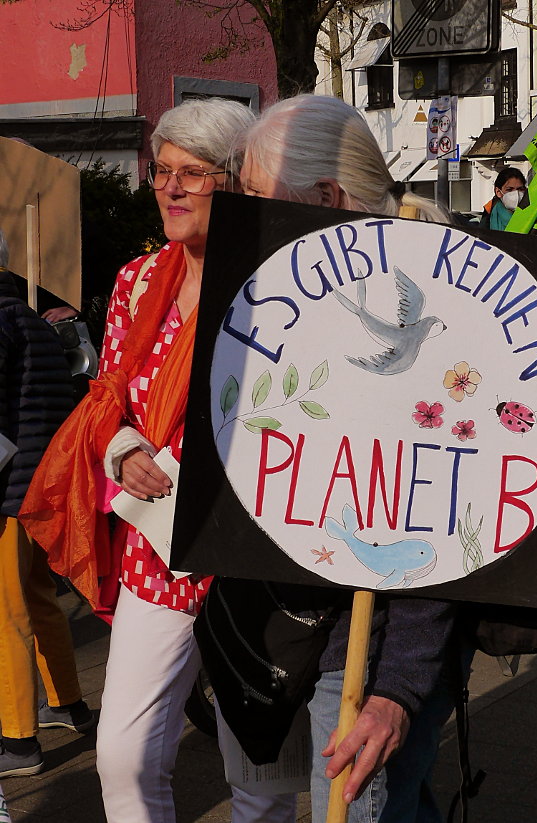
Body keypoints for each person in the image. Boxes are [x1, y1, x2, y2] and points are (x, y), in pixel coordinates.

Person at [19, 99, 295, 823]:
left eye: (192, 173)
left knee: (262, 776)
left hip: (259, 554)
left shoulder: (285, 286)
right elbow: (107, 395)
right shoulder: (138, 282)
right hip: (159, 548)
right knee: (124, 754)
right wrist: (121, 447)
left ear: (233, 181)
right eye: (162, 171)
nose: (171, 187)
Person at [236, 93, 456, 823]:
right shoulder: (302, 306)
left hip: (379, 649)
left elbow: (444, 518)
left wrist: (396, 691)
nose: (247, 217)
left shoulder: (429, 318)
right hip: (328, 631)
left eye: (258, 198)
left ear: (327, 199)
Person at [0, 229, 95, 779]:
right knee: (38, 598)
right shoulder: (33, 320)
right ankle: (66, 703)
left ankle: (17, 740)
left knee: (6, 611)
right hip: (42, 486)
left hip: (7, 488)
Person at [478, 166, 526, 232]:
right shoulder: (489, 212)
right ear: (498, 192)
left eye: (520, 189)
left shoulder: (533, 213)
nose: (516, 194)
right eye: (509, 189)